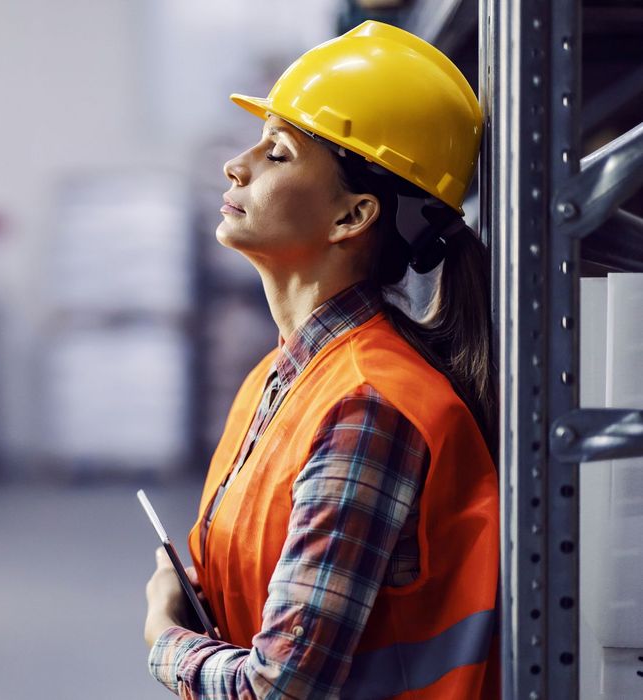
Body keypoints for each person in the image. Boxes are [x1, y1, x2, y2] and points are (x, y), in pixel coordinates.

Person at [143, 21, 499, 699]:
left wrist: (166, 638)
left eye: (277, 153)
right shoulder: (281, 377)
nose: (236, 164)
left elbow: (279, 689)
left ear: (352, 216)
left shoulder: (367, 407)